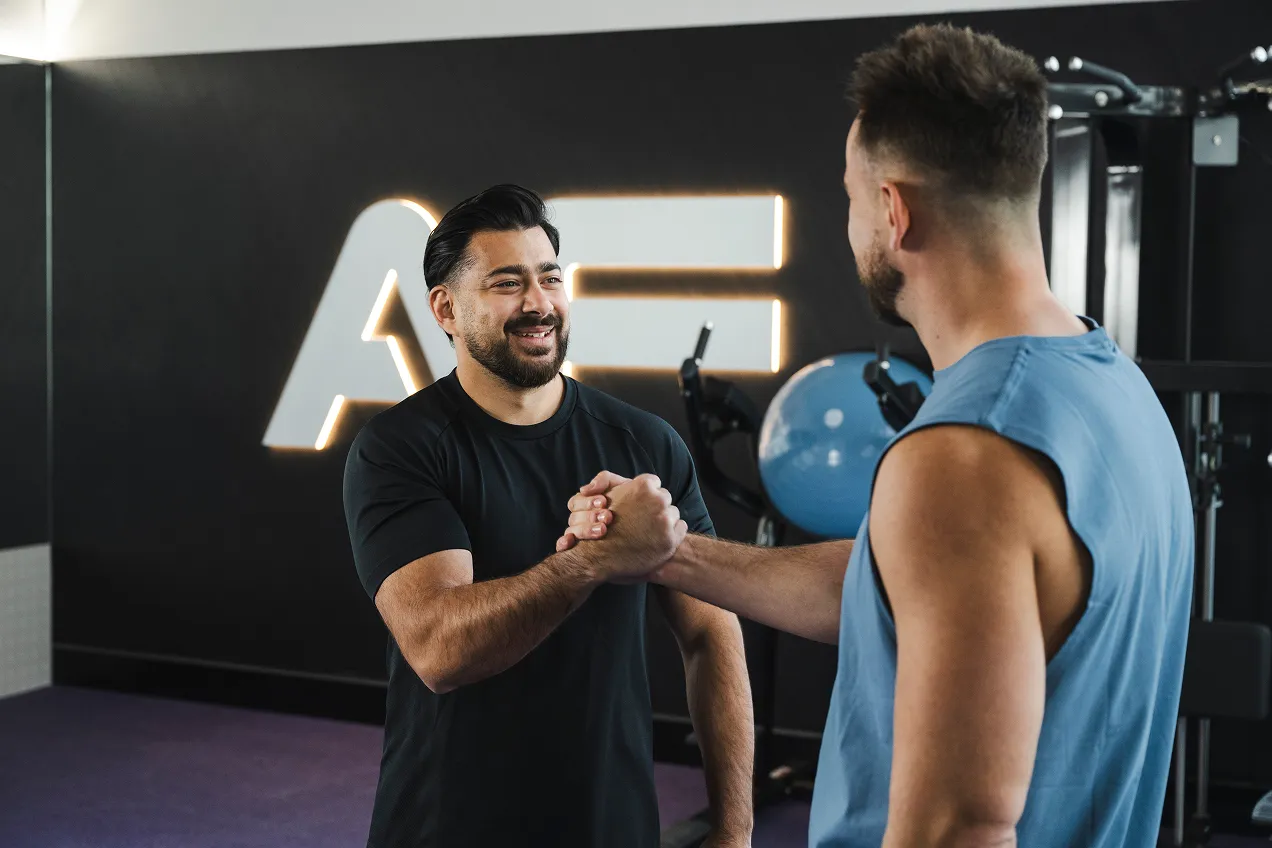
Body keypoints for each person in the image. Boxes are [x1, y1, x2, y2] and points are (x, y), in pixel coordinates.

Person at [558, 23, 1194, 848]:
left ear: (894, 212)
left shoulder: (966, 453)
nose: (851, 221)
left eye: (853, 198)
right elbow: (895, 587)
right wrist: (673, 555)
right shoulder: (1107, 382)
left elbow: (956, 830)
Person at [342, 185, 754, 848]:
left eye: (550, 278)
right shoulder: (401, 449)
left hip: (610, 824)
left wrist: (734, 831)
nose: (538, 304)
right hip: (447, 825)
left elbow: (710, 633)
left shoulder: (644, 445)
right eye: (507, 283)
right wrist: (588, 561)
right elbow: (438, 649)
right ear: (446, 310)